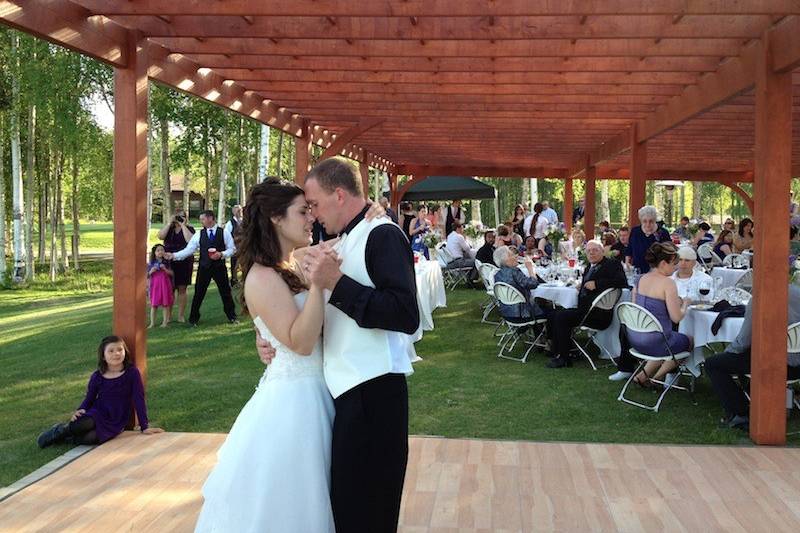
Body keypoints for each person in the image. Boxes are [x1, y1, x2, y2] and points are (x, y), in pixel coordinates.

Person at [195, 178, 338, 532]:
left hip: (319, 391)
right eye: (303, 212)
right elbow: (300, 343)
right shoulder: (262, 277)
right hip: (294, 405)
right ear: (276, 217)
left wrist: (376, 212)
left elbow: (350, 237)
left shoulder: (293, 263)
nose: (311, 219)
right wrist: (319, 285)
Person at [37, 335, 163, 448]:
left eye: (120, 350)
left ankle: (67, 438)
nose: (116, 354)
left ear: (125, 352)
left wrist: (144, 426)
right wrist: (80, 410)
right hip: (98, 411)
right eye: (111, 351)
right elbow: (89, 398)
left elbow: (138, 398)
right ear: (103, 356)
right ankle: (59, 430)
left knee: (88, 439)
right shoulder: (97, 376)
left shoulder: (132, 373)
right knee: (82, 424)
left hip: (117, 417)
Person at [706, 283, 800, 431]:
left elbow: (743, 341)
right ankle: (756, 396)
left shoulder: (761, 298)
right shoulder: (797, 292)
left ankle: (740, 413)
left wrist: (727, 352)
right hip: (797, 366)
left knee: (714, 364)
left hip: (774, 363)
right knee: (745, 356)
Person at [545, 240, 629, 368]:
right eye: (588, 251)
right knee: (552, 314)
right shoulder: (589, 267)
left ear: (602, 251)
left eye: (595, 250)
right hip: (586, 310)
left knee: (562, 317)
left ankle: (564, 358)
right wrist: (582, 286)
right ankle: (558, 350)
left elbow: (622, 281)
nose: (591, 253)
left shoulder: (612, 264)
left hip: (599, 314)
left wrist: (597, 284)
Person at [626, 242, 692, 387]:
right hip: (656, 342)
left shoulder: (641, 278)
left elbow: (635, 307)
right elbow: (676, 318)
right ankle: (656, 377)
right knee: (688, 341)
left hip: (635, 338)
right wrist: (685, 304)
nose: (676, 267)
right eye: (673, 263)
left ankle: (642, 376)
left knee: (662, 339)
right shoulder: (668, 283)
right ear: (663, 263)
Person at [166, 210, 238, 326]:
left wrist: (222, 254)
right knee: (199, 293)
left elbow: (232, 249)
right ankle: (193, 319)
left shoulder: (224, 233)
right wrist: (174, 255)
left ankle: (232, 316)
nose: (201, 221)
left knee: (225, 292)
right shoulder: (199, 234)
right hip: (204, 268)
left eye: (203, 219)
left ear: (211, 219)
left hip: (219, 267)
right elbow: (189, 250)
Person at [158, 210, 195, 323]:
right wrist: (169, 223)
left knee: (182, 288)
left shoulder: (189, 228)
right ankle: (168, 316)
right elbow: (160, 236)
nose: (179, 219)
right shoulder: (169, 229)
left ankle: (181, 316)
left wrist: (183, 225)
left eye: (182, 217)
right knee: (169, 288)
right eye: (178, 217)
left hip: (184, 260)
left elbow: (190, 240)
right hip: (169, 260)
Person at [492, 245, 544, 320]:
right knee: (555, 313)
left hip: (507, 313)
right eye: (512, 255)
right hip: (524, 314)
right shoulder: (514, 272)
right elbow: (533, 284)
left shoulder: (497, 274)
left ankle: (537, 330)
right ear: (506, 260)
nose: (516, 256)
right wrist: (530, 269)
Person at [626, 205, 671, 274]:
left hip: (657, 272)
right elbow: (629, 249)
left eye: (651, 221)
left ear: (655, 220)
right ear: (640, 220)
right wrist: (627, 262)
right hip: (638, 270)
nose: (648, 224)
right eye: (644, 221)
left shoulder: (663, 233)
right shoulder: (635, 231)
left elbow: (669, 253)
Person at [147, 244, 174, 328]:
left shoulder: (167, 262)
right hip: (155, 285)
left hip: (165, 284)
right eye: (158, 250)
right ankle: (152, 323)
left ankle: (165, 322)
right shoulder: (151, 263)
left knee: (165, 304)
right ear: (154, 252)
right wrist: (151, 271)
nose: (160, 252)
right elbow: (147, 275)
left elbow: (172, 273)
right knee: (154, 305)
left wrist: (165, 269)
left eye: (162, 250)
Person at [224, 204, 243, 286]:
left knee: (245, 264)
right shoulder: (230, 223)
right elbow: (227, 235)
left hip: (245, 247)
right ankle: (234, 280)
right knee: (235, 265)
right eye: (237, 211)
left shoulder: (245, 221)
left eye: (240, 210)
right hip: (235, 247)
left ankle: (245, 280)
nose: (239, 212)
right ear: (233, 212)